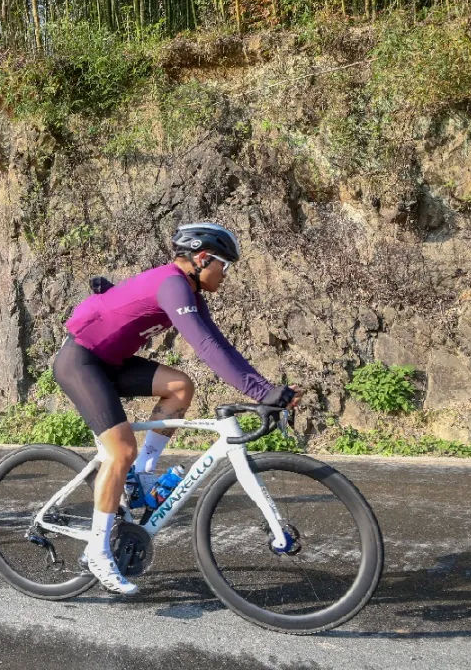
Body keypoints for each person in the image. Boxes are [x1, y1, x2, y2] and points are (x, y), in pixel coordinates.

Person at [53, 223, 303, 595]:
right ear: (203, 258)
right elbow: (206, 347)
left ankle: (142, 476)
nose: (226, 274)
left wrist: (265, 389)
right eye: (225, 265)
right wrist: (261, 391)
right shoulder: (173, 285)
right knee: (120, 450)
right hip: (81, 362)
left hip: (112, 362)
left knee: (180, 386)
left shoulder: (188, 290)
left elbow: (220, 343)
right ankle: (97, 551)